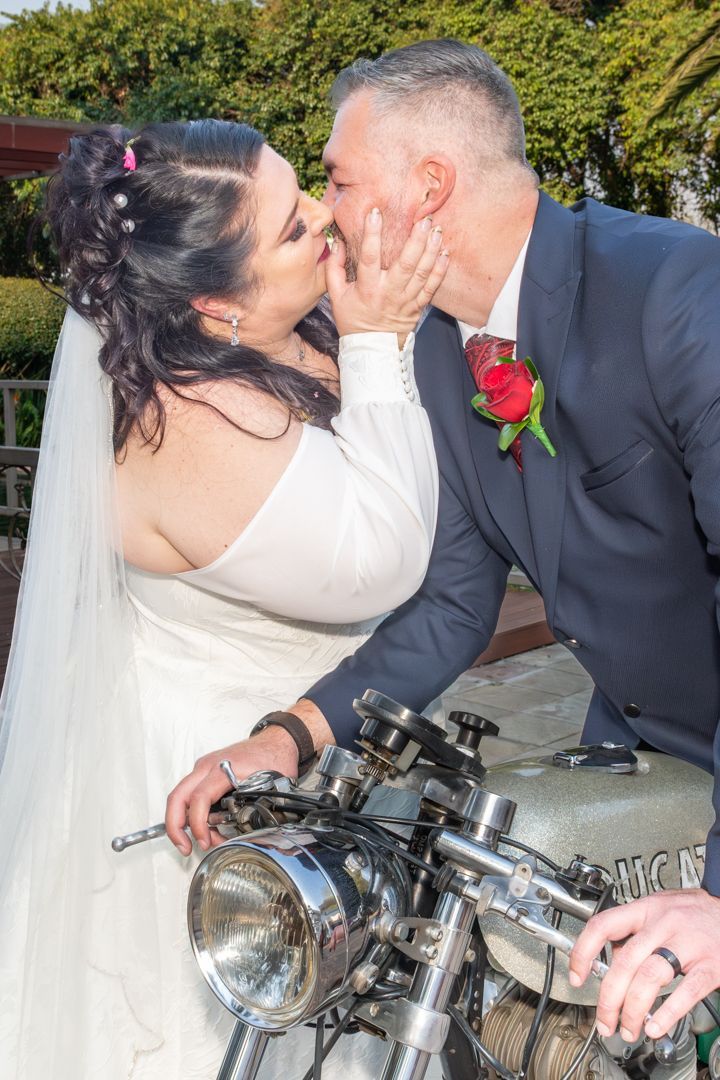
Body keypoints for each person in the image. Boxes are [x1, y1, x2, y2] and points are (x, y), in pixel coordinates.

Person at [170, 41, 720, 1053]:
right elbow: (455, 600)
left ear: (429, 187)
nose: (327, 211)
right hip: (640, 757)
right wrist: (289, 736)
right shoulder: (434, 346)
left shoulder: (678, 290)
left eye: (339, 179)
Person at [0, 118, 450, 1078]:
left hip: (317, 754)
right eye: (291, 228)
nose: (324, 217)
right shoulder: (189, 422)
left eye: (305, 191)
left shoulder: (280, 338)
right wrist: (379, 343)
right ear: (213, 300)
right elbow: (385, 561)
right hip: (222, 797)